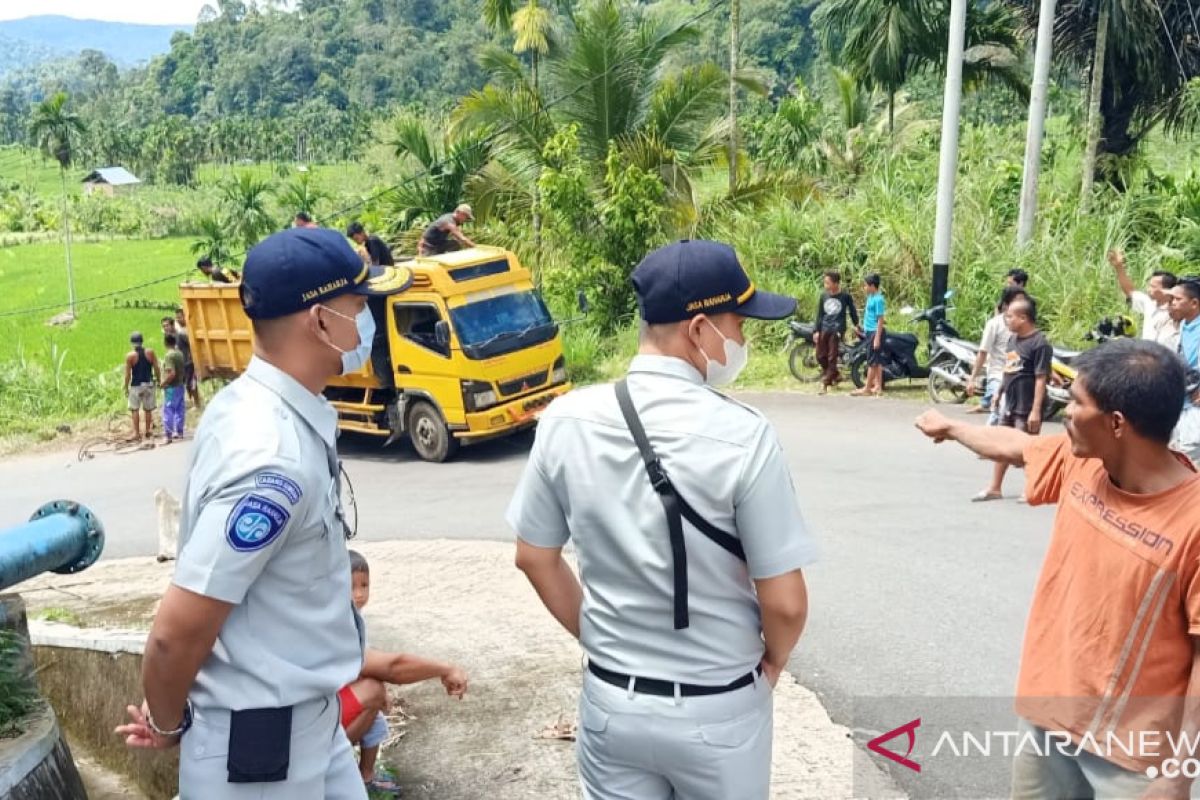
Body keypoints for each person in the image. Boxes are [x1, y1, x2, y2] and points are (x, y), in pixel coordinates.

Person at [506, 239, 816, 800]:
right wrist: (772, 662)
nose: (743, 339)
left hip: (610, 706)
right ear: (699, 330)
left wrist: (600, 641)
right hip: (717, 709)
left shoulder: (566, 419)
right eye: (738, 324)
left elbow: (533, 555)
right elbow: (786, 602)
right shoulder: (744, 436)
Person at [115, 227, 411, 799]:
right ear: (321, 321)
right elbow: (176, 634)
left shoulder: (265, 408)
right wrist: (169, 721)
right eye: (360, 306)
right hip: (259, 755)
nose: (368, 322)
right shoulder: (269, 458)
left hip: (311, 724)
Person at [915, 339, 1200, 800]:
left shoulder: (1192, 522)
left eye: (1077, 404)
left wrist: (1179, 772)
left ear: (1116, 424)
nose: (1064, 412)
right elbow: (1020, 446)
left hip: (1133, 758)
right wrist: (949, 427)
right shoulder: (1085, 463)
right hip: (1049, 719)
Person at [338, 550, 468, 795]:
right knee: (374, 690)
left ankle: (362, 772)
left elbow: (368, 657)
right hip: (310, 726)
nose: (359, 593)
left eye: (364, 586)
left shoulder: (344, 616)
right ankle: (355, 773)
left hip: (310, 711)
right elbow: (392, 667)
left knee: (375, 700)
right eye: (351, 586)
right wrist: (446, 668)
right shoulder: (337, 622)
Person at [974, 297, 1052, 502]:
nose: (1006, 320)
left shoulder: (1040, 344)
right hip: (1009, 401)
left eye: (1010, 316)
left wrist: (1036, 409)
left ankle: (1031, 489)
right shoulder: (1012, 340)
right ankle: (995, 487)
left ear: (1023, 318)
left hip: (1026, 404)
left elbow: (1041, 377)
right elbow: (1008, 370)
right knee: (1003, 445)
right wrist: (999, 392)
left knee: (1025, 448)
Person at [966, 287, 1027, 418]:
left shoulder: (1025, 326)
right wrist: (972, 379)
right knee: (1000, 409)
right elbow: (983, 352)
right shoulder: (994, 324)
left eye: (1023, 302)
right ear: (1006, 305)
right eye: (1018, 302)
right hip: (997, 374)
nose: (1022, 306)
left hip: (1018, 376)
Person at [1107, 249, 1179, 350]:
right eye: (1149, 286)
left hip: (1168, 359)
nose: (1148, 289)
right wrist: (1119, 267)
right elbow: (1129, 291)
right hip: (1147, 358)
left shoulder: (1179, 310)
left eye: (1153, 287)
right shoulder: (1149, 303)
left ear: (1166, 290)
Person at [812, 270, 859, 393]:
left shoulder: (845, 296)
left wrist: (857, 324)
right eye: (825, 283)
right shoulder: (824, 296)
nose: (825, 285)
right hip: (824, 328)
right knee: (820, 356)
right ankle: (836, 375)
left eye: (828, 283)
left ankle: (825, 383)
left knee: (832, 356)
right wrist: (816, 331)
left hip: (837, 329)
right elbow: (820, 314)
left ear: (836, 283)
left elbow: (852, 311)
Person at [852, 273, 886, 397]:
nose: (864, 288)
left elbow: (880, 319)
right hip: (869, 331)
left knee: (871, 361)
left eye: (866, 285)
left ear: (872, 286)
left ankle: (867, 388)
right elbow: (869, 316)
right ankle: (878, 387)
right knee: (876, 361)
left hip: (874, 332)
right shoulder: (870, 297)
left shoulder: (878, 299)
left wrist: (877, 338)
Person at [124, 332, 161, 442]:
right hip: (149, 384)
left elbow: (127, 375)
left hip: (136, 386)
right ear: (142, 341)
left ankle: (136, 433)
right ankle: (148, 431)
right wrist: (159, 380)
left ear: (132, 343)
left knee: (134, 409)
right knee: (148, 409)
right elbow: (156, 368)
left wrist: (125, 387)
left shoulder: (130, 356)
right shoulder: (150, 352)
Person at [173, 308, 204, 411]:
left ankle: (197, 403)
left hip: (189, 362)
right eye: (176, 317)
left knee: (191, 383)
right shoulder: (178, 331)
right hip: (183, 362)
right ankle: (194, 402)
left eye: (180, 317)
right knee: (187, 384)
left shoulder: (185, 332)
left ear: (185, 317)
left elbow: (192, 346)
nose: (178, 319)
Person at [161, 333, 187, 444]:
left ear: (165, 343)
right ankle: (180, 432)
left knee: (168, 410)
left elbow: (171, 373)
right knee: (179, 409)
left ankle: (168, 435)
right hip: (180, 385)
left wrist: (164, 383)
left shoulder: (169, 356)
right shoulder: (179, 354)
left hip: (171, 387)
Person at [1170, 279, 1200, 369]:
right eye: (1172, 299)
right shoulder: (1183, 324)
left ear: (1194, 303)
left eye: (1178, 299)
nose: (1173, 303)